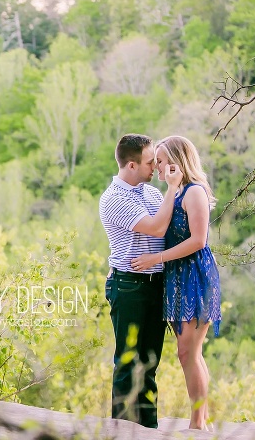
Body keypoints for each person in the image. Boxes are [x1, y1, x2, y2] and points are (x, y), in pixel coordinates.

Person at [131, 135, 222, 431]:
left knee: (188, 353)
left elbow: (198, 241)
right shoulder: (176, 192)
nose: (157, 167)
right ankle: (202, 419)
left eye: (161, 161)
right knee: (191, 352)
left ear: (177, 162)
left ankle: (197, 423)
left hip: (195, 276)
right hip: (178, 278)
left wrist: (156, 259)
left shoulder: (194, 192)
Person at [99, 134, 182, 428]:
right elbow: (158, 228)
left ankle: (148, 429)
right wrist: (173, 187)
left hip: (155, 284)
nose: (155, 167)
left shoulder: (150, 194)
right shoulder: (114, 199)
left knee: (149, 362)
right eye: (150, 162)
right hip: (129, 285)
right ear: (131, 165)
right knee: (127, 362)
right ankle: (122, 430)